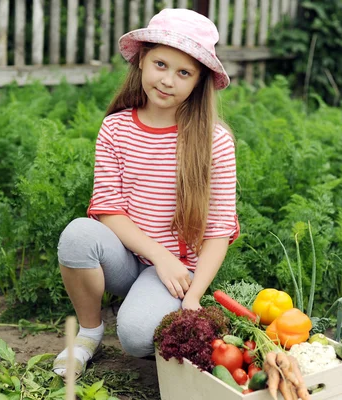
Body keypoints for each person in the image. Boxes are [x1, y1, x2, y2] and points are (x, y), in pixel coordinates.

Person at [52, 8, 239, 377]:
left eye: (183, 72)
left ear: (199, 81)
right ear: (141, 62)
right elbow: (108, 209)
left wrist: (193, 295)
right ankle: (89, 332)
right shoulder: (116, 129)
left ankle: (149, 306)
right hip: (127, 255)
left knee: (137, 338)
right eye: (161, 64)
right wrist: (158, 255)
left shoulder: (214, 141)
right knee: (77, 235)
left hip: (175, 272)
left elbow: (219, 230)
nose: (168, 80)